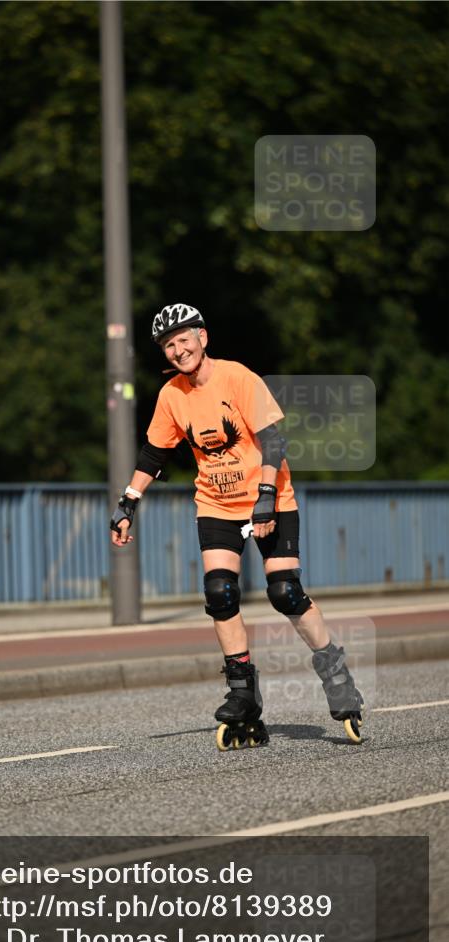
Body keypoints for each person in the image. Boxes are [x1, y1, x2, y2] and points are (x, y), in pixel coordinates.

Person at [109, 303, 364, 749]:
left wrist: (265, 498)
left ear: (202, 338)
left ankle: (335, 673)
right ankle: (243, 693)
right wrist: (128, 502)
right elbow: (154, 454)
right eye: (168, 346)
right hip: (216, 504)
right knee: (220, 592)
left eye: (183, 340)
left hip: (271, 498)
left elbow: (273, 441)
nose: (177, 350)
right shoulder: (172, 395)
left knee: (284, 591)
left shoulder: (238, 378)